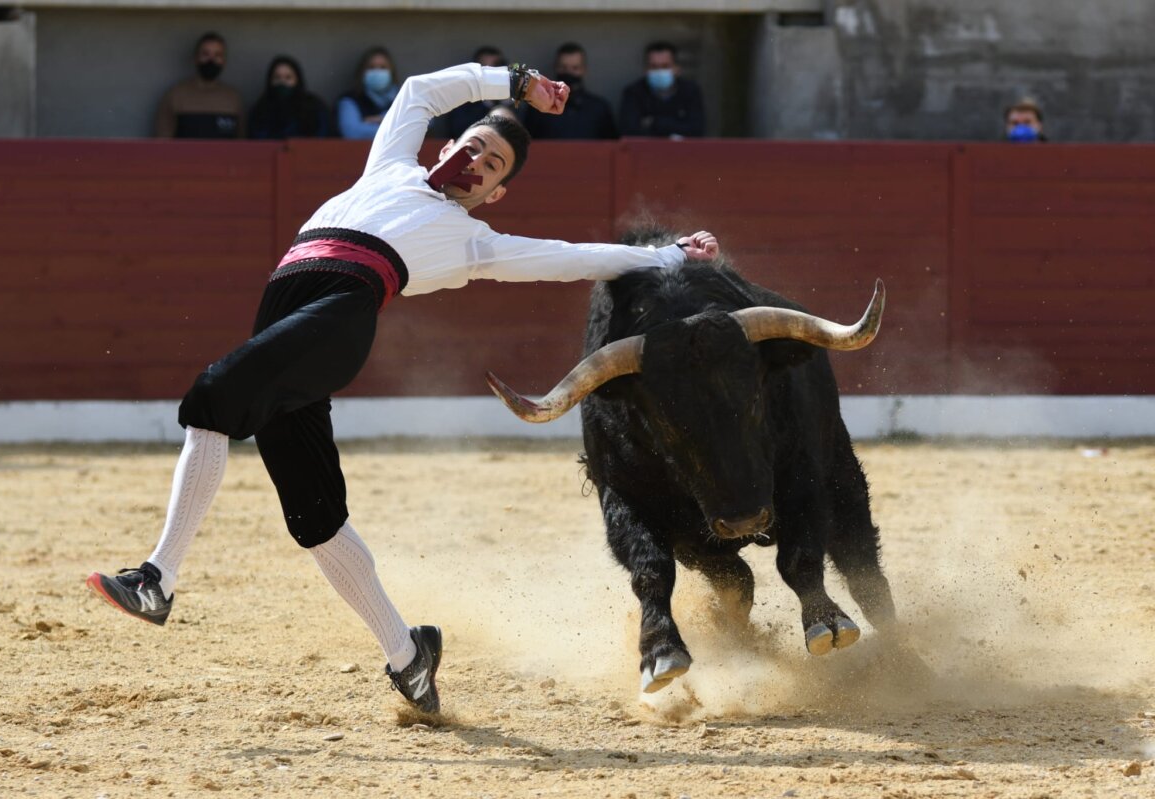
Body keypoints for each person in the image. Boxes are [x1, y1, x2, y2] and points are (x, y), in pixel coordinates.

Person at [86, 62, 720, 717]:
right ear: (447, 146)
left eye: (493, 165)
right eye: (474, 146)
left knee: (214, 397)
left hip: (339, 314)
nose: (477, 161)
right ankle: (407, 653)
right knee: (316, 520)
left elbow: (571, 258)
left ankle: (158, 577)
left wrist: (668, 255)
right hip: (285, 317)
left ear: (495, 193)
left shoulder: (473, 241)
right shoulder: (388, 167)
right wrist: (516, 82)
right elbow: (419, 91)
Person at [155, 31, 245, 139]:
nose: (211, 60)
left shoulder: (233, 99)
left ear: (224, 60)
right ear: (196, 58)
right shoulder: (175, 96)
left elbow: (242, 142)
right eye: (205, 54)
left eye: (217, 55)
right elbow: (162, 142)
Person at [527, 42, 617, 140]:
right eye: (563, 67)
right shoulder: (538, 105)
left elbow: (612, 144)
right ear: (556, 67)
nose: (568, 73)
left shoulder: (599, 109)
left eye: (575, 68)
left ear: (584, 70)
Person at [430, 46, 523, 139]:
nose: (493, 73)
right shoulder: (461, 102)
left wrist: (506, 103)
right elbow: (459, 132)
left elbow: (527, 132)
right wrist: (489, 103)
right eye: (486, 69)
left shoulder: (517, 100)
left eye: (497, 66)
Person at [618, 40, 705, 139]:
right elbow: (629, 132)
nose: (659, 71)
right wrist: (676, 126)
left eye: (665, 66)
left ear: (677, 68)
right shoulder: (633, 92)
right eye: (654, 66)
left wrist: (654, 122)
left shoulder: (690, 91)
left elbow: (696, 131)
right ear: (646, 69)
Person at [248, 55, 333, 140]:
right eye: (277, 77)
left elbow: (321, 138)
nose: (282, 82)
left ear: (297, 80)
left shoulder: (314, 108)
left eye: (288, 78)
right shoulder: (260, 111)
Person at [337, 47, 400, 140]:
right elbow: (353, 133)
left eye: (383, 67)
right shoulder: (349, 101)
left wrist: (382, 119)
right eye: (371, 67)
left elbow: (418, 126)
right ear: (362, 72)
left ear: (392, 73)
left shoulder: (402, 100)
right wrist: (394, 125)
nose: (377, 72)